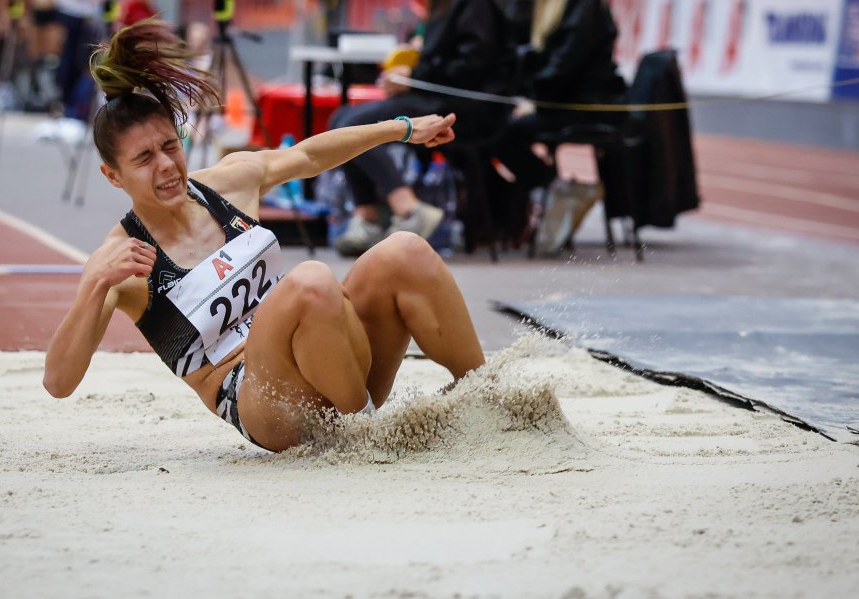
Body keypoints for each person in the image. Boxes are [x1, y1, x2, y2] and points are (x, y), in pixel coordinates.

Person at [42, 20, 486, 454]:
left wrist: (403, 129)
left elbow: (308, 154)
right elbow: (58, 383)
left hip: (334, 360)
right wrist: (94, 287)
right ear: (113, 176)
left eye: (169, 146)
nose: (164, 166)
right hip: (265, 403)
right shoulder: (122, 259)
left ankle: (487, 396)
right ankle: (367, 434)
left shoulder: (226, 183)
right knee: (309, 281)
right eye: (143, 159)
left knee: (403, 250)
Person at [328, 0, 516, 257]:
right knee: (340, 118)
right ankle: (368, 215)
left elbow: (471, 68)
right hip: (433, 95)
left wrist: (414, 75)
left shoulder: (475, 6)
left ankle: (408, 209)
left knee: (353, 125)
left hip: (463, 106)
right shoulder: (442, 7)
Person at [495, 0, 627, 253]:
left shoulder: (585, 8)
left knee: (502, 133)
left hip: (587, 107)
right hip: (564, 100)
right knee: (501, 127)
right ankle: (552, 190)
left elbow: (564, 66)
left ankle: (554, 188)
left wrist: (533, 100)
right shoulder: (550, 8)